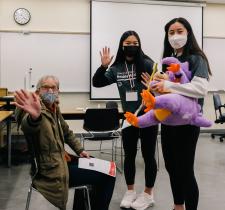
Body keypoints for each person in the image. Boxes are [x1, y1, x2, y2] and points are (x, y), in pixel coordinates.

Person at [14, 75, 115, 210]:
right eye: (45, 87)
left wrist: (80, 150)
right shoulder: (35, 110)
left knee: (106, 167)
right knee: (108, 176)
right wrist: (35, 117)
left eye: (53, 87)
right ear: (38, 91)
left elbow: (66, 132)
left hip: (62, 160)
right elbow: (27, 126)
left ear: (58, 91)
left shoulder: (54, 108)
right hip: (50, 171)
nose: (50, 91)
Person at [142, 17, 212, 210]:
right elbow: (168, 93)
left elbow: (200, 88)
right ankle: (178, 206)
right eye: (171, 33)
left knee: (185, 170)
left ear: (188, 33)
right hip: (168, 123)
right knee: (171, 167)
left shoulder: (196, 58)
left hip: (188, 124)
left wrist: (169, 84)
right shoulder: (166, 61)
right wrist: (154, 88)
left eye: (179, 31)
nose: (175, 36)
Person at [92, 30, 158, 210]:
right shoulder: (116, 67)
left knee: (148, 155)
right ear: (122, 45)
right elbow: (97, 83)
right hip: (129, 118)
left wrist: (152, 87)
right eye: (128, 43)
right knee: (129, 156)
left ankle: (148, 194)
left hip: (148, 118)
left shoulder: (147, 63)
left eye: (135, 43)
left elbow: (160, 88)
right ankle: (130, 192)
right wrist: (103, 66)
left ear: (139, 45)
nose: (132, 46)